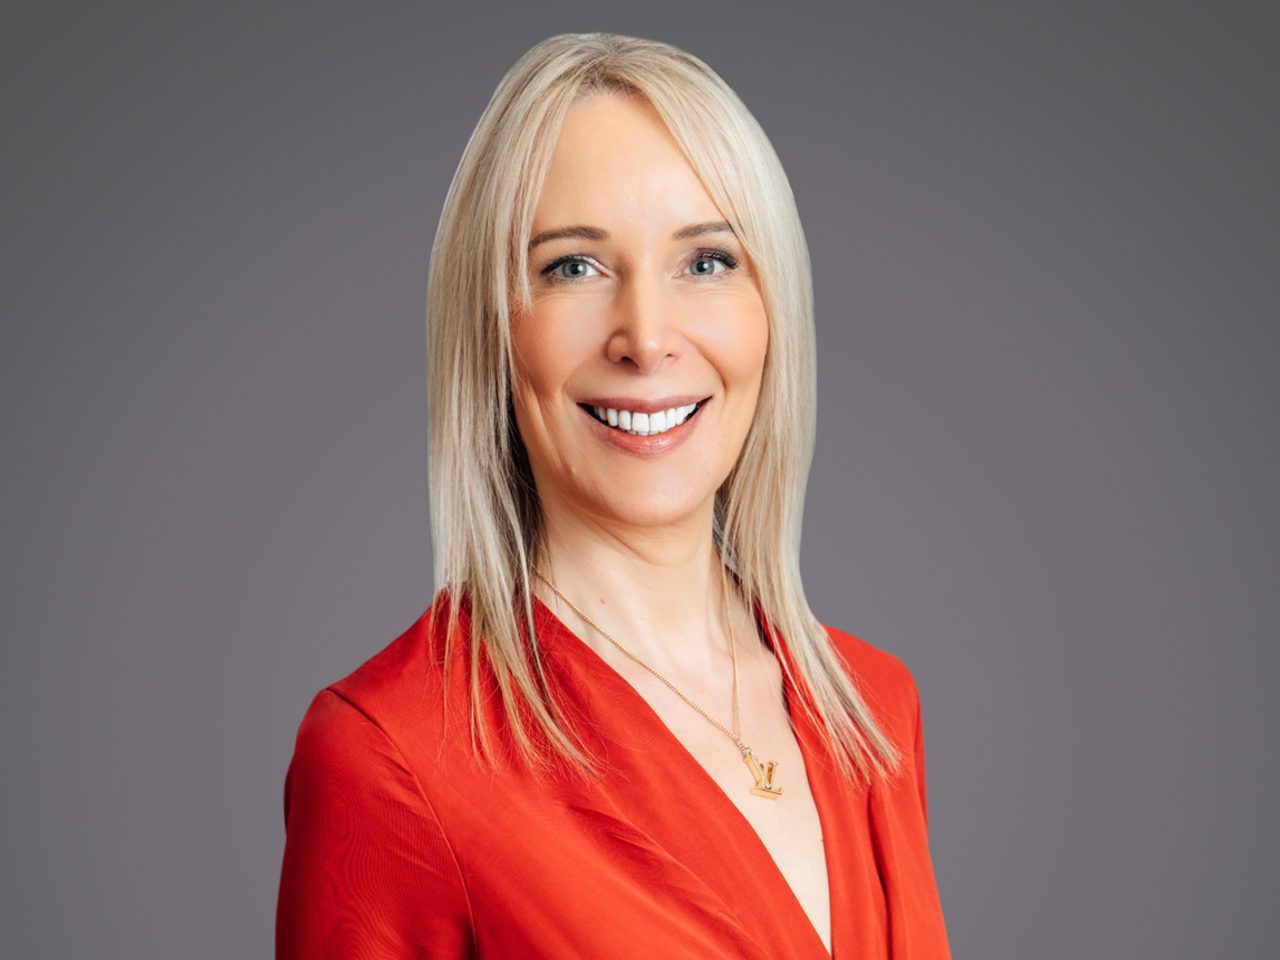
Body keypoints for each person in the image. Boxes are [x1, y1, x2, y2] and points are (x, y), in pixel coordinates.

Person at [275, 31, 951, 959]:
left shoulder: (871, 712)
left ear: (772, 310)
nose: (646, 334)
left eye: (706, 261)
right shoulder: (392, 754)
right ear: (493, 327)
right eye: (573, 267)